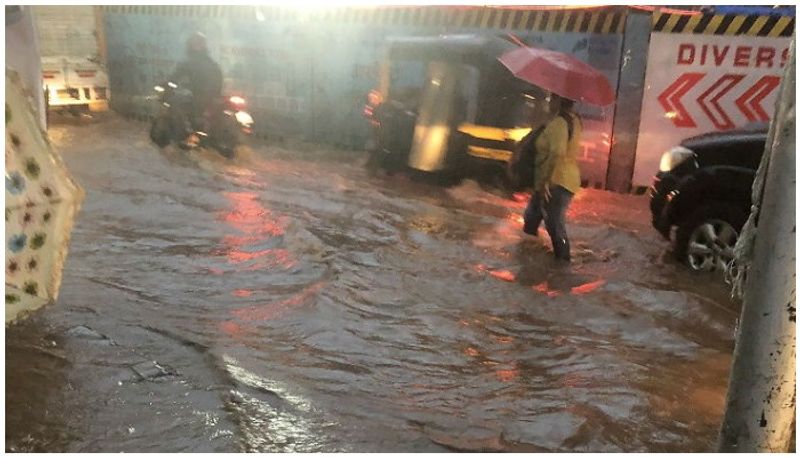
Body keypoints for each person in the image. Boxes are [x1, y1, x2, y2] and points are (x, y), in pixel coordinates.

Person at [521, 94, 582, 262]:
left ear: (557, 101)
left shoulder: (559, 124)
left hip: (556, 181)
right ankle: (526, 255)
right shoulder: (574, 120)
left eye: (551, 98)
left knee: (554, 224)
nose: (548, 101)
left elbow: (557, 153)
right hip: (558, 180)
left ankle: (562, 264)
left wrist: (547, 181)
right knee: (532, 216)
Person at [170, 32, 223, 145]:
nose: (195, 46)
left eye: (196, 43)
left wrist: (167, 84)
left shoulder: (192, 62)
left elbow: (176, 76)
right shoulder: (210, 62)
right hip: (210, 97)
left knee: (179, 106)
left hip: (201, 96)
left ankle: (189, 136)